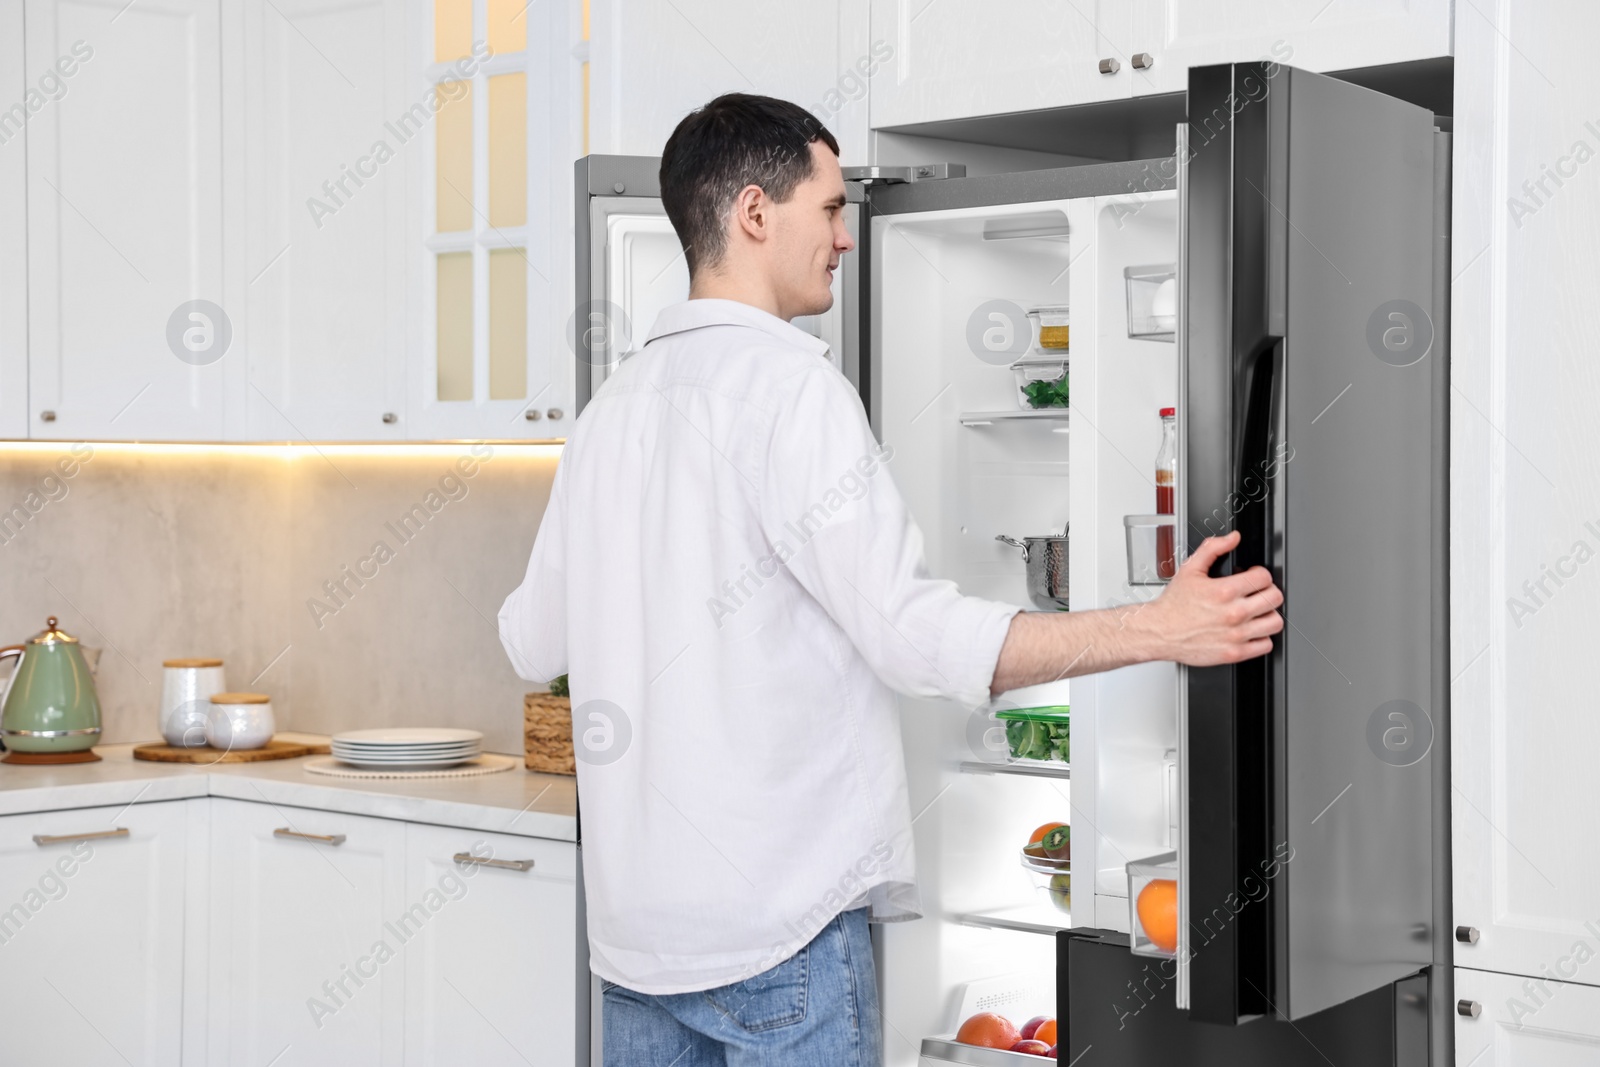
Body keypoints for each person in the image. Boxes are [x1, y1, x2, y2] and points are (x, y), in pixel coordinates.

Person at [498, 92, 1283, 1067]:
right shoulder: (792, 390)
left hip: (636, 943)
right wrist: (1162, 626)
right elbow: (914, 639)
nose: (845, 238)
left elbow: (531, 641)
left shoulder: (611, 406)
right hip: (778, 934)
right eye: (829, 210)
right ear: (754, 212)